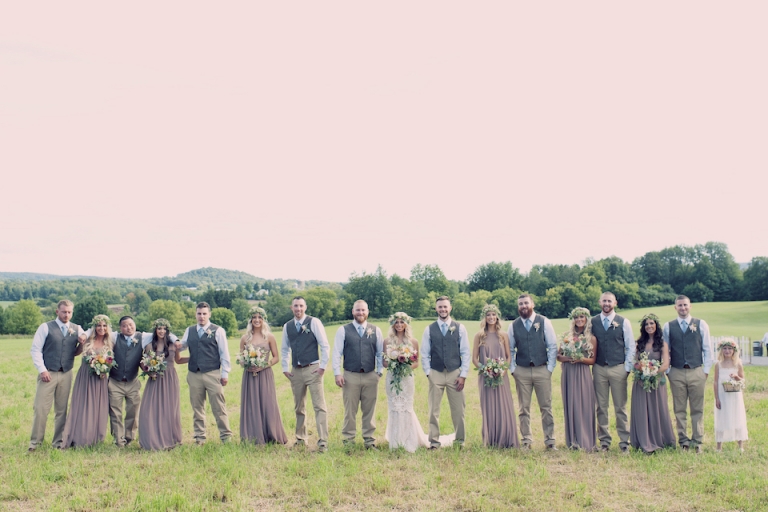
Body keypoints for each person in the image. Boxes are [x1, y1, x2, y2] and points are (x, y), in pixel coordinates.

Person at [383, 312, 453, 451]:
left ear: (406, 324)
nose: (399, 325)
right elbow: (384, 362)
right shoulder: (387, 341)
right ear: (393, 324)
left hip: (407, 378)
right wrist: (393, 363)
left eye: (401, 322)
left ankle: (409, 439)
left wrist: (405, 365)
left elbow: (416, 362)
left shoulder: (413, 342)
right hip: (392, 377)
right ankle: (395, 440)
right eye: (396, 322)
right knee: (394, 407)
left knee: (406, 407)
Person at [28, 299, 84, 451]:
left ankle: (58, 442)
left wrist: (83, 343)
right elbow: (35, 350)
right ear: (57, 312)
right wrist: (42, 370)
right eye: (64, 311)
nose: (67, 315)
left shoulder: (77, 328)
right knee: (40, 409)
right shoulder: (45, 327)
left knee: (62, 410)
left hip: (66, 373)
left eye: (69, 312)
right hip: (48, 373)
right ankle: (35, 443)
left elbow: (76, 352)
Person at [662, 295, 713, 453]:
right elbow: (666, 350)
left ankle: (697, 441)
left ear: (690, 306)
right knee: (679, 408)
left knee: (697, 408)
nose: (682, 308)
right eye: (680, 305)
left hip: (696, 370)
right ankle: (683, 441)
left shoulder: (701, 324)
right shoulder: (668, 326)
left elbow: (707, 349)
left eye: (685, 305)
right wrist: (669, 371)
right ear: (675, 307)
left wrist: (705, 372)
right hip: (676, 371)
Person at [178, 302, 233, 444]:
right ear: (195, 314)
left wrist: (225, 373)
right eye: (199, 313)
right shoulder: (189, 330)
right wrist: (170, 342)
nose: (201, 316)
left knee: (219, 406)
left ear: (209, 314)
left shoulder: (218, 330)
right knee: (197, 408)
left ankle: (226, 436)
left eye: (204, 314)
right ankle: (199, 437)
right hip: (194, 374)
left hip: (212, 373)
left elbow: (224, 353)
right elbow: (182, 345)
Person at [508, 294, 558, 450]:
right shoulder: (513, 325)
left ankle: (550, 441)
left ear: (532, 304)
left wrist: (549, 368)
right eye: (520, 303)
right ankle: (526, 440)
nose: (523, 306)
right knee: (524, 408)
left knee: (546, 407)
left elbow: (552, 346)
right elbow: (510, 349)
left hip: (542, 369)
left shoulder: (544, 322)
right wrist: (513, 369)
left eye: (526, 303)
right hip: (521, 371)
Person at [281, 296, 330, 452]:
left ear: (305, 307)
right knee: (299, 407)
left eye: (301, 306)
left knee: (319, 406)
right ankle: (301, 439)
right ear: (291, 307)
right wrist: (285, 368)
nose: (298, 309)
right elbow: (284, 349)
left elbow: (324, 345)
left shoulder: (313, 322)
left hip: (313, 368)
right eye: (296, 306)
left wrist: (322, 367)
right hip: (296, 371)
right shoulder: (287, 326)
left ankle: (323, 441)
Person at [333, 300, 383, 449]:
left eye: (363, 310)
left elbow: (380, 353)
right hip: (350, 375)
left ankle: (369, 440)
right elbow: (336, 353)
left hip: (370, 375)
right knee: (350, 410)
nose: (360, 313)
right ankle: (349, 440)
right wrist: (337, 374)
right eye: (358, 310)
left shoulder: (376, 330)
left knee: (369, 410)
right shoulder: (343, 330)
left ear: (367, 312)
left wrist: (379, 372)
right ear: (352, 311)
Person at [422, 296, 470, 449]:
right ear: (436, 309)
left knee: (458, 409)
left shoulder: (460, 328)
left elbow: (466, 352)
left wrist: (463, 375)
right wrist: (428, 373)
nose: (443, 309)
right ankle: (434, 442)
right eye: (440, 307)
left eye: (445, 307)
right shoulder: (429, 329)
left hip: (454, 373)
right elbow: (424, 353)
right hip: (435, 372)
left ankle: (460, 441)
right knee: (433, 410)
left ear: (450, 308)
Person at [590, 291, 635, 453]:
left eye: (609, 301)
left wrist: (627, 368)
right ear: (599, 302)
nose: (606, 304)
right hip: (599, 368)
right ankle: (604, 441)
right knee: (601, 406)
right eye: (604, 301)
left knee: (620, 407)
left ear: (615, 303)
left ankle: (624, 441)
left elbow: (630, 346)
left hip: (618, 368)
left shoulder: (623, 322)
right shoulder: (593, 322)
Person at [61, 315, 113, 448]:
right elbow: (76, 352)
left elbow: (112, 361)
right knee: (82, 405)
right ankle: (79, 438)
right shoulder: (87, 339)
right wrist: (82, 342)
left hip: (100, 378)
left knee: (98, 406)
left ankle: (94, 439)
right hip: (85, 376)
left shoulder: (111, 342)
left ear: (108, 328)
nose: (101, 328)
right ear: (94, 327)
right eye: (99, 325)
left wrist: (104, 366)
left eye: (104, 325)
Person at [472, 304, 519, 448]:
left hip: (501, 376)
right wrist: (485, 370)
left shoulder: (503, 335)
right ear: (484, 318)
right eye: (488, 315)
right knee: (488, 406)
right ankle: (491, 439)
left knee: (504, 406)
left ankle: (506, 439)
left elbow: (508, 357)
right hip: (485, 376)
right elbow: (475, 359)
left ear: (497, 317)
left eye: (493, 315)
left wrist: (502, 370)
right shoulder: (479, 336)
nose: (491, 318)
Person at [239, 307, 287, 445]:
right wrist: (247, 363)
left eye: (259, 317)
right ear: (250, 320)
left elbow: (276, 357)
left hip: (265, 374)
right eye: (254, 317)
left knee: (268, 403)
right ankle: (252, 436)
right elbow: (241, 358)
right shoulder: (244, 338)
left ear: (263, 319)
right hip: (249, 376)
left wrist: (263, 365)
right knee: (251, 404)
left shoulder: (269, 337)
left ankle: (271, 434)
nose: (257, 320)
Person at [629, 314, 675, 454]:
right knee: (641, 409)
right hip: (641, 381)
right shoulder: (639, 344)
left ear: (656, 326)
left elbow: (666, 364)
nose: (649, 326)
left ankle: (660, 438)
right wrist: (641, 370)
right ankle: (642, 440)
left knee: (658, 408)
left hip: (656, 381)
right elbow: (635, 362)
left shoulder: (662, 344)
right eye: (646, 324)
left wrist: (652, 372)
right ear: (643, 327)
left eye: (651, 324)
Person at [137, 318, 184, 450]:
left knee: (170, 408)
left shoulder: (173, 345)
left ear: (167, 330)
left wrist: (196, 360)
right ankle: (151, 438)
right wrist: (148, 371)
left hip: (170, 378)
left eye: (164, 329)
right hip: (155, 379)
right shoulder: (149, 346)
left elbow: (179, 360)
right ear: (155, 330)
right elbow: (142, 362)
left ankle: (170, 438)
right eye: (159, 328)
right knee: (150, 408)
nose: (162, 331)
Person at [556, 307, 597, 451]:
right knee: (571, 403)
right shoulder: (567, 336)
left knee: (584, 404)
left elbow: (592, 360)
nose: (579, 320)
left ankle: (586, 440)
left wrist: (580, 359)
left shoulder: (591, 338)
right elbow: (558, 356)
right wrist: (570, 358)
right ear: (573, 319)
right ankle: (572, 440)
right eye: (576, 317)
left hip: (582, 373)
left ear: (586, 319)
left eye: (582, 317)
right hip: (568, 372)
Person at [713, 338, 748, 452]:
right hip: (722, 395)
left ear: (734, 350)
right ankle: (719, 446)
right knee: (721, 418)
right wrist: (717, 398)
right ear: (721, 350)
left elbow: (742, 380)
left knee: (737, 417)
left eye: (729, 349)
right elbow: (715, 381)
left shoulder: (737, 364)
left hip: (735, 396)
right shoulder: (718, 364)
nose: (727, 351)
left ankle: (740, 445)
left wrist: (736, 377)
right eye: (725, 349)